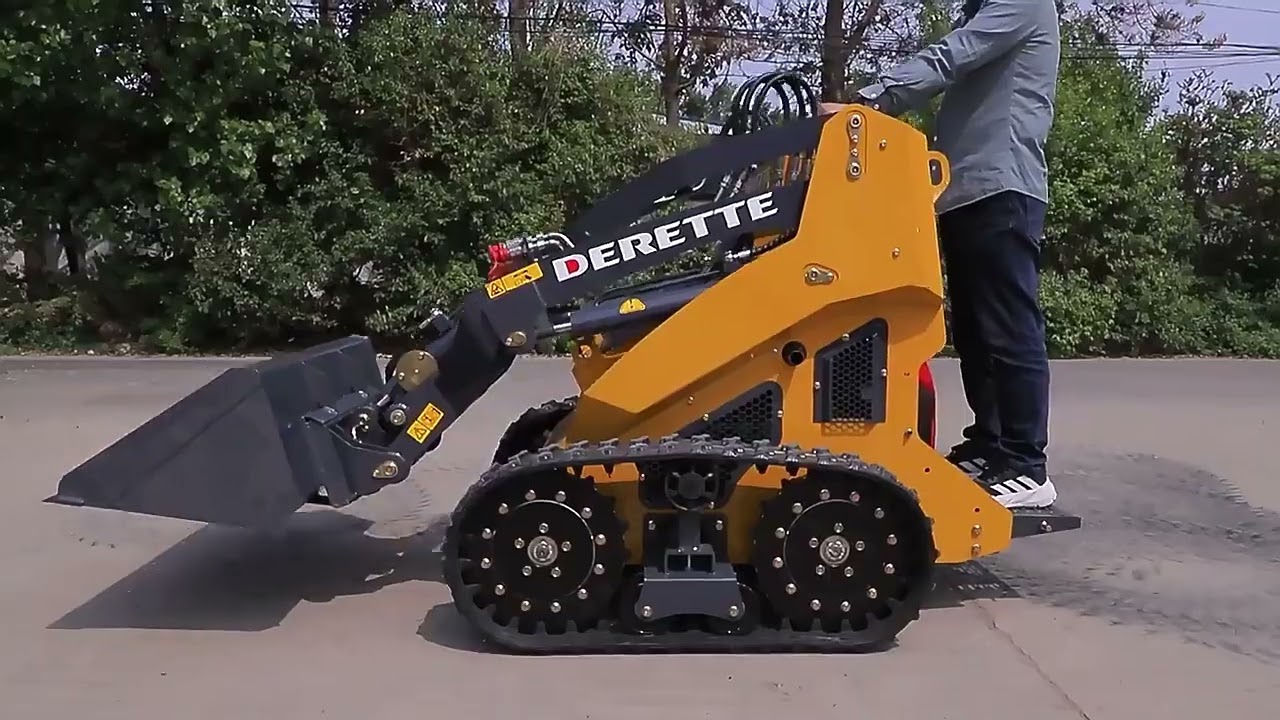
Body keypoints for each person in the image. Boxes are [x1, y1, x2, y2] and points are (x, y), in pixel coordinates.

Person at [825, 0, 1060, 509]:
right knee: (977, 333)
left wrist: (870, 101)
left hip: (1003, 189)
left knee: (1008, 325)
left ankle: (1025, 463)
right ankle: (990, 446)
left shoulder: (1023, 3)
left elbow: (956, 54)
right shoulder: (980, 10)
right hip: (966, 193)